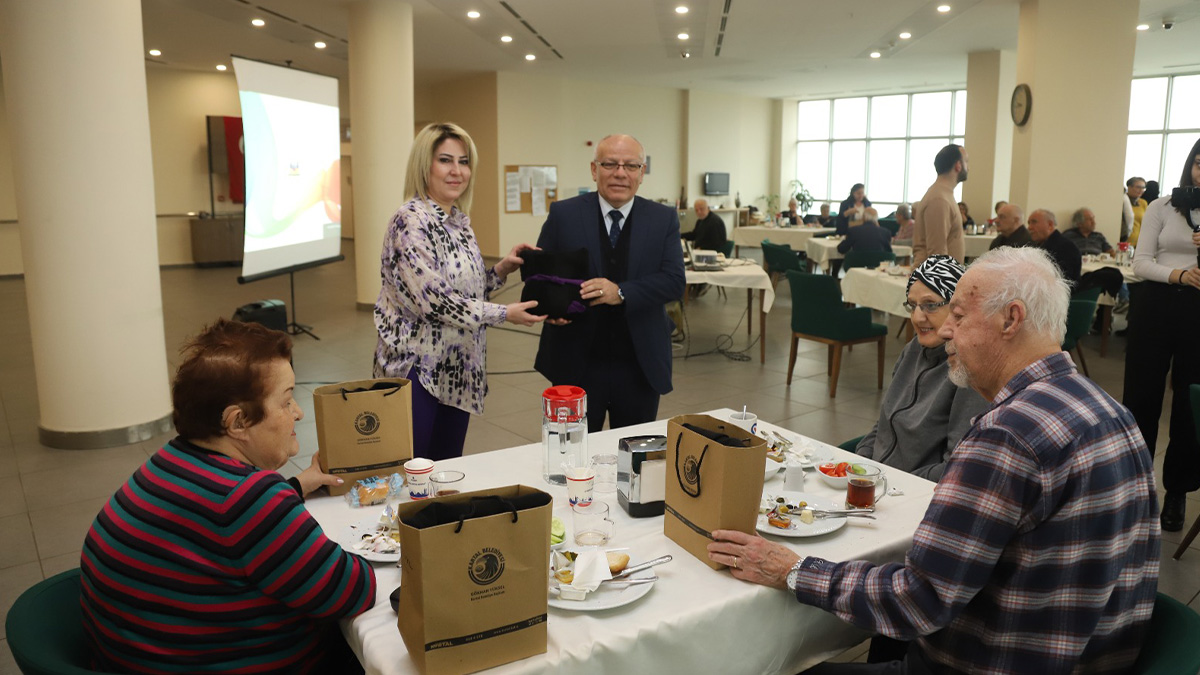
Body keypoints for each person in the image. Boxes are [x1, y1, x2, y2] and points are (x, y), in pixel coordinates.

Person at [708, 247, 1160, 674]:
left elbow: (917, 602)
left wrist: (791, 569)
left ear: (1011, 319)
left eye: (958, 316)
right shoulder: (1110, 411)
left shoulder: (1007, 435)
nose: (944, 329)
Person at [81, 320, 378, 674]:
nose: (297, 412)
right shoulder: (250, 501)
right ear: (237, 423)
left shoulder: (168, 463)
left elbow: (225, 524)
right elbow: (353, 590)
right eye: (286, 402)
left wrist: (296, 486)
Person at [373, 123, 545, 460]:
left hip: (458, 369)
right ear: (425, 165)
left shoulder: (457, 222)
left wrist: (500, 271)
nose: (457, 171)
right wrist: (505, 314)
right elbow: (435, 301)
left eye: (463, 162)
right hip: (417, 371)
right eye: (445, 160)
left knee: (446, 472)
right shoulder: (410, 221)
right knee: (413, 474)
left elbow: (465, 290)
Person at [534, 134, 686, 432]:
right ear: (594, 170)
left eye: (630, 165)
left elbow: (673, 282)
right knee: (569, 456)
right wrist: (550, 308)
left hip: (639, 363)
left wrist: (621, 292)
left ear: (642, 173)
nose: (620, 173)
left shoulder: (662, 219)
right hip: (575, 361)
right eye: (610, 164)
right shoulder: (564, 214)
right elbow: (541, 277)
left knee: (633, 458)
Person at [853, 255, 988, 481]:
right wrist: (862, 463)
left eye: (930, 305)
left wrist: (892, 481)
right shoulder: (913, 350)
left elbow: (956, 465)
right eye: (912, 305)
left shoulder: (968, 369)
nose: (917, 317)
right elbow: (884, 423)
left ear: (957, 307)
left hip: (915, 493)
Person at [1123, 137, 1200, 532]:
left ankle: (1177, 492)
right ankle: (1135, 488)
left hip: (1198, 312)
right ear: (1190, 166)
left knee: (1189, 401)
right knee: (1141, 397)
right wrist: (1179, 273)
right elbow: (1140, 263)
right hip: (1156, 304)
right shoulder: (1162, 206)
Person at [913, 144, 968, 264]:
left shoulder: (944, 194)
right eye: (966, 161)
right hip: (935, 279)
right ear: (958, 165)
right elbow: (937, 253)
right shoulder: (939, 199)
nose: (968, 167)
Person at [1027, 208, 1081, 285]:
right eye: (1029, 223)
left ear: (1050, 225)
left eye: (1034, 222)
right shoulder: (1040, 244)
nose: (1029, 227)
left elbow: (1064, 282)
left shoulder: (1065, 247)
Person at [1126, 176, 1149, 246]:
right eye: (1138, 187)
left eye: (1143, 188)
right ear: (1129, 187)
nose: (1141, 190)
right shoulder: (1124, 202)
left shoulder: (1143, 203)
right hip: (1125, 241)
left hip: (1140, 242)